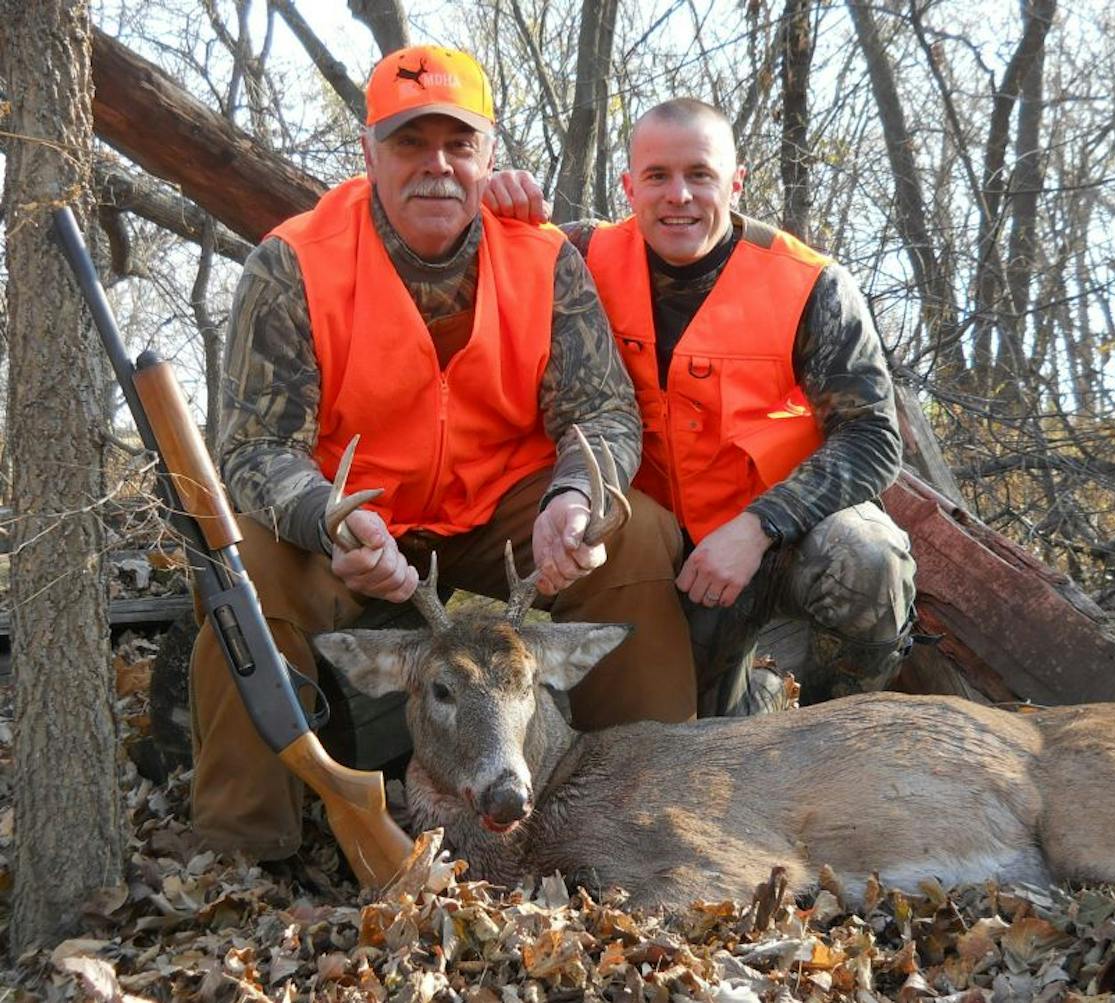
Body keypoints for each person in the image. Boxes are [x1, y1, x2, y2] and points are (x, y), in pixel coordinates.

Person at [192, 45, 696, 861]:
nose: (437, 168)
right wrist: (327, 519)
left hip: (499, 508)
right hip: (355, 520)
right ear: (367, 152)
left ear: (488, 155)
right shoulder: (294, 264)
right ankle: (241, 853)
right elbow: (254, 446)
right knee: (244, 568)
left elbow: (601, 411)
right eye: (408, 144)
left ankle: (660, 813)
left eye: (458, 146)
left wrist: (574, 498)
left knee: (632, 534)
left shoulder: (543, 262)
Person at [487, 99, 916, 717]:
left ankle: (833, 726)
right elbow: (465, 246)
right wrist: (496, 198)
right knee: (690, 733)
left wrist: (758, 527)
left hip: (781, 532)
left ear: (735, 181)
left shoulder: (811, 284)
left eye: (700, 175)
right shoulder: (576, 257)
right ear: (629, 185)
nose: (678, 195)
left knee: (867, 560)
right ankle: (758, 704)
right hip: (663, 560)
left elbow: (871, 437)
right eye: (658, 176)